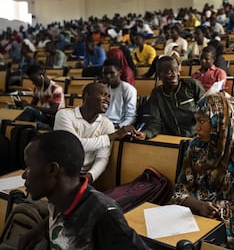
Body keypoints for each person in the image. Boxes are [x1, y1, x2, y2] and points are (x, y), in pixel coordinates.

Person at [18, 130, 148, 249]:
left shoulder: (105, 216)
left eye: (29, 167)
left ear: (52, 170)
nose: (24, 175)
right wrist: (39, 230)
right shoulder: (58, 198)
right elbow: (68, 212)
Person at [170, 93, 234, 250]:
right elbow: (180, 189)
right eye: (196, 120)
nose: (196, 127)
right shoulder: (195, 146)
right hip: (190, 213)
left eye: (202, 121)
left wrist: (213, 209)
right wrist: (198, 205)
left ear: (219, 122)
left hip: (224, 222)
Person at [54, 82, 138, 183]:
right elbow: (74, 146)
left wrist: (89, 176)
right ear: (87, 95)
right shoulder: (64, 115)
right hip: (59, 172)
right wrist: (113, 135)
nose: (107, 99)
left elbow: (102, 157)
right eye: (103, 94)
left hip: (83, 177)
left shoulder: (107, 124)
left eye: (109, 96)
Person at [135, 56, 205, 140]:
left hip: (196, 136)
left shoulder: (192, 85)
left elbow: (206, 112)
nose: (175, 75)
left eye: (176, 70)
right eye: (169, 72)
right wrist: (146, 134)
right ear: (159, 74)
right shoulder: (157, 94)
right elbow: (156, 122)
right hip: (171, 138)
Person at [14, 64, 65, 128]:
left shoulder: (56, 89)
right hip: (43, 117)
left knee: (29, 112)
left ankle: (14, 126)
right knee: (27, 114)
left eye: (34, 80)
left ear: (42, 74)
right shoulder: (38, 88)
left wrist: (28, 106)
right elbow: (33, 105)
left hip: (54, 120)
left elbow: (53, 111)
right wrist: (22, 105)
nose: (33, 83)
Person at [102, 59, 137, 128]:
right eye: (105, 73)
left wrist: (119, 126)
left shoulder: (128, 89)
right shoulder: (103, 89)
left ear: (119, 73)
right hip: (102, 124)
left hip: (118, 125)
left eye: (112, 73)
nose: (108, 76)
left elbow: (131, 117)